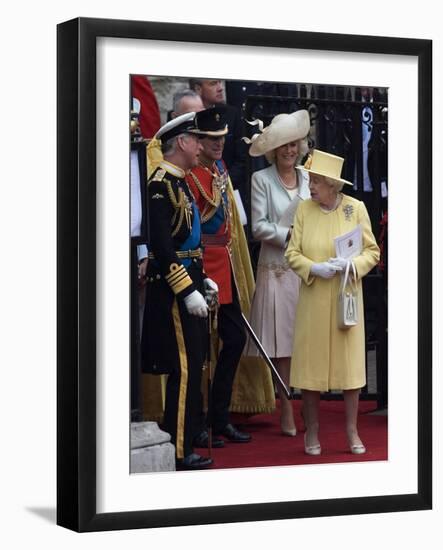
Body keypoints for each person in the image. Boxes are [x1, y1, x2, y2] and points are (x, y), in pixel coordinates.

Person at [285, 149, 380, 455]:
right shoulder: (304, 210)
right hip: (314, 297)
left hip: (346, 298)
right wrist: (314, 268)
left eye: (315, 181)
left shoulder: (356, 208)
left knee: (350, 368)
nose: (310, 186)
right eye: (310, 180)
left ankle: (352, 430)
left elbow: (372, 252)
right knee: (311, 368)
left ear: (332, 185)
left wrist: (353, 266)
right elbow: (292, 253)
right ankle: (312, 430)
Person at [140, 111, 219, 470]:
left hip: (190, 283)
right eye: (197, 139)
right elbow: (161, 245)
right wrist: (186, 289)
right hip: (173, 294)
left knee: (193, 364)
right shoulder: (160, 184)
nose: (202, 145)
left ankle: (186, 437)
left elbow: (187, 239)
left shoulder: (181, 180)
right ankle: (179, 450)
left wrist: (201, 278)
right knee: (184, 369)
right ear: (183, 142)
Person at [185, 106, 251, 446]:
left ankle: (220, 416)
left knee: (235, 339)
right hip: (203, 264)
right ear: (199, 140)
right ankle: (197, 423)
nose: (219, 144)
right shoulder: (192, 173)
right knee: (200, 351)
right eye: (213, 139)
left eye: (222, 138)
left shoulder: (221, 167)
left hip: (225, 263)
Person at [244, 110, 311, 437]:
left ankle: (306, 405)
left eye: (294, 144)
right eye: (283, 144)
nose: (289, 150)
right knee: (283, 345)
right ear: (274, 149)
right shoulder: (262, 180)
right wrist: (290, 235)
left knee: (305, 340)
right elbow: (257, 227)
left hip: (305, 270)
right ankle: (286, 406)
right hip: (277, 269)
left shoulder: (309, 178)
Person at [189, 78, 248, 206]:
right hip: (194, 188)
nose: (220, 87)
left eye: (219, 82)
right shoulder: (186, 117)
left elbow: (242, 159)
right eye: (213, 83)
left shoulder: (232, 114)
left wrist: (220, 185)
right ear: (198, 89)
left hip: (228, 187)